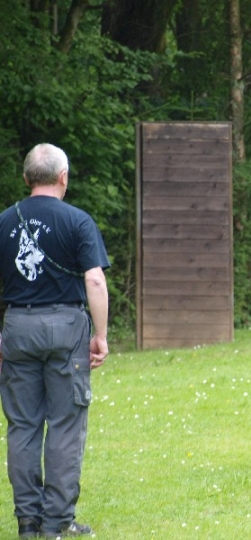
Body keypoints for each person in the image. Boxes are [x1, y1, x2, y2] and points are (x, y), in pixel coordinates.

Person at [0, 143, 110, 538]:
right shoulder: (78, 220)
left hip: (17, 328)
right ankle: (57, 521)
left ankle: (27, 522)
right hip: (66, 327)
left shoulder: (3, 222)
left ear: (27, 178)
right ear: (63, 177)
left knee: (23, 425)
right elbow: (94, 279)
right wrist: (100, 335)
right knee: (65, 424)